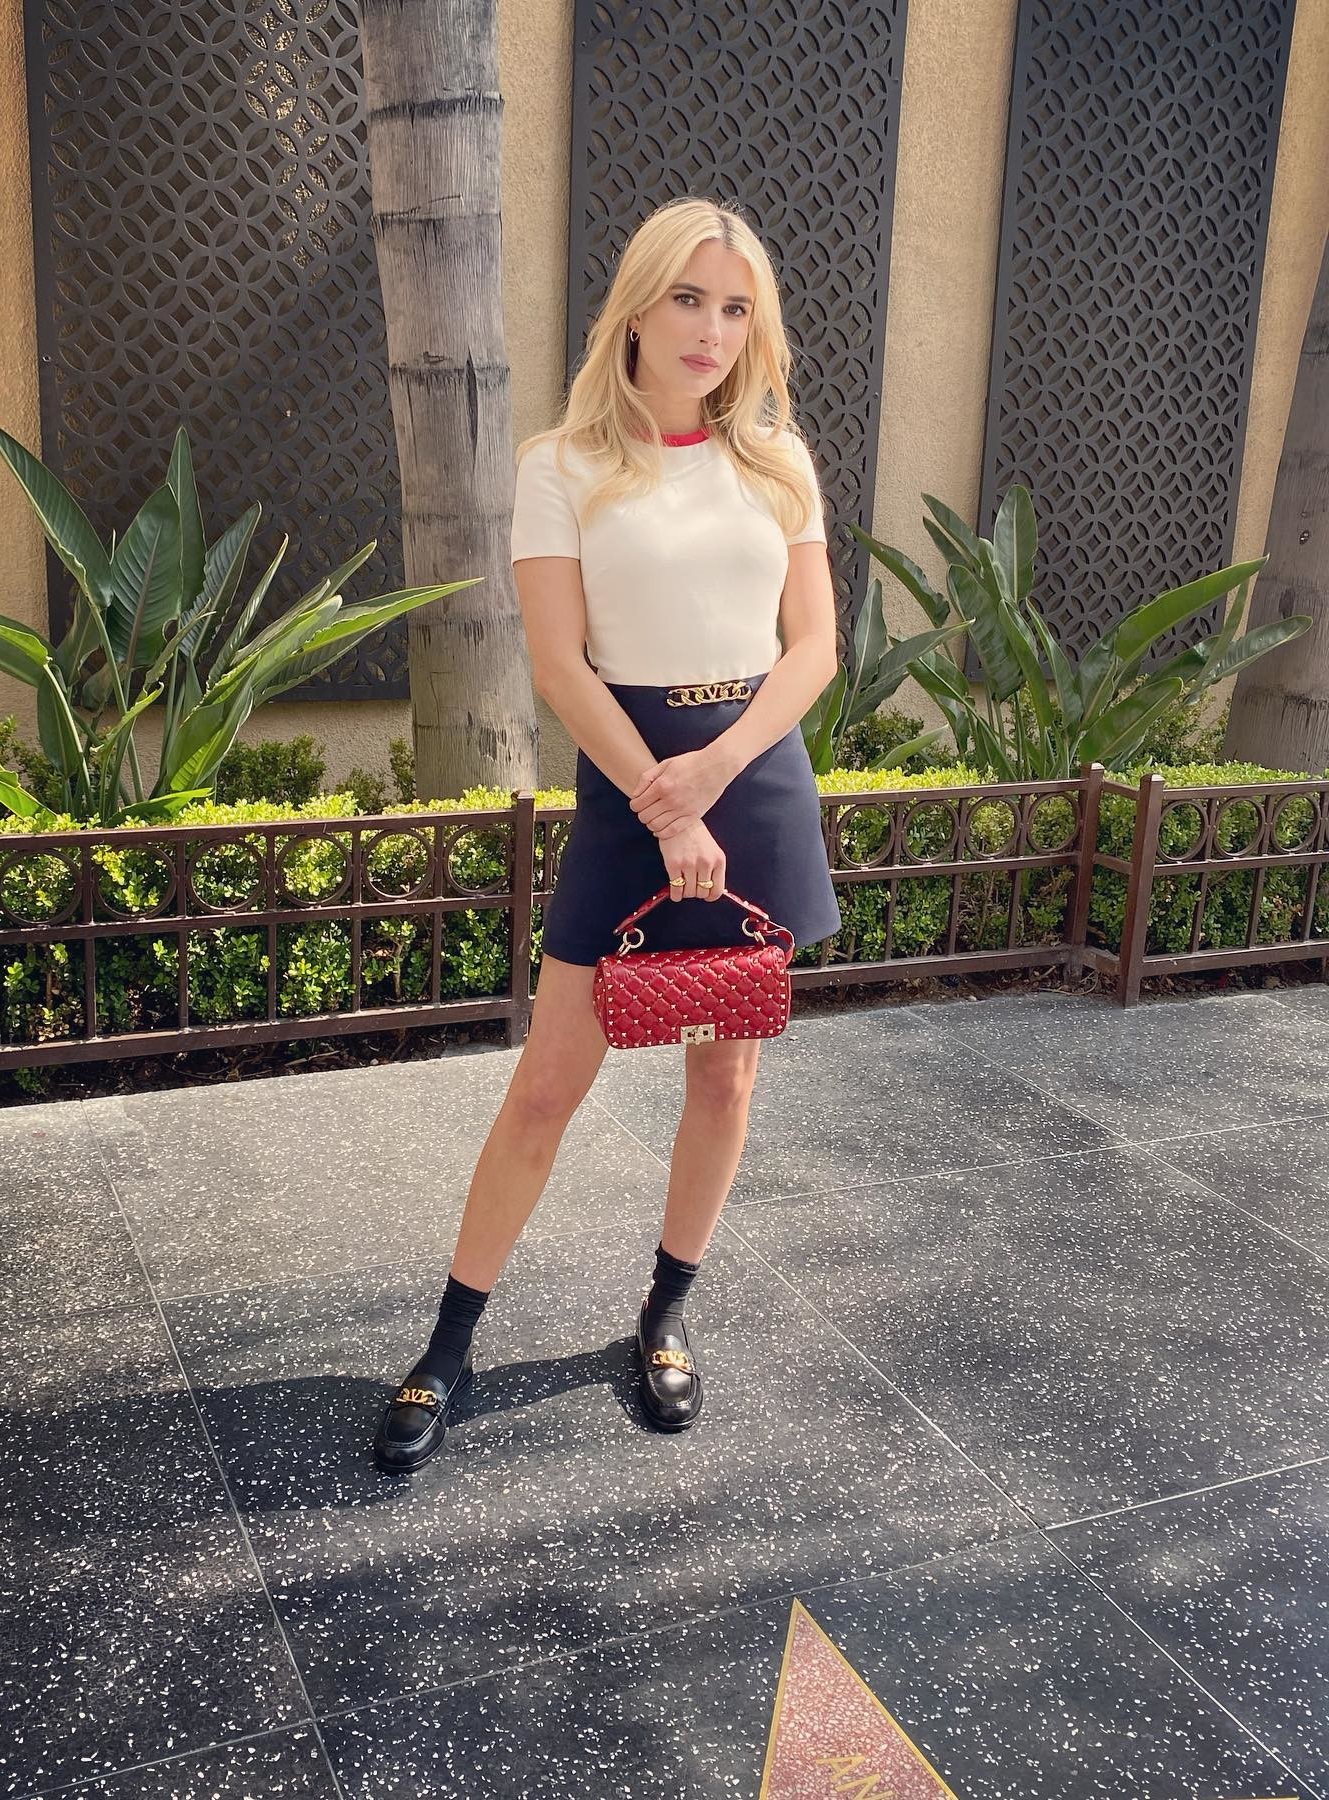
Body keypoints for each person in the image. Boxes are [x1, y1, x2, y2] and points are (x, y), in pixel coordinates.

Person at [372, 195, 842, 1474]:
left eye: (735, 308)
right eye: (688, 299)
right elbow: (561, 668)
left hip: (753, 778)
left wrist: (717, 774)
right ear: (636, 306)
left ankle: (666, 1313)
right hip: (632, 783)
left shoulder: (778, 460)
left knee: (726, 1075)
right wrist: (660, 798)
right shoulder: (560, 464)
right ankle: (448, 1347)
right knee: (547, 1084)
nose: (711, 331)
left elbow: (813, 649)